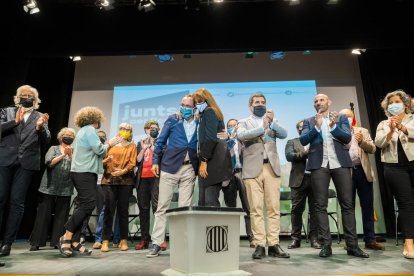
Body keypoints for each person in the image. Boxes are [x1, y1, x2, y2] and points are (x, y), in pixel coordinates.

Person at [300, 94, 369, 258]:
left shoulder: (342, 118)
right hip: (319, 164)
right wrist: (317, 127)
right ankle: (326, 246)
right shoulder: (309, 121)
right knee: (320, 206)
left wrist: (332, 126)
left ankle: (352, 246)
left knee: (347, 204)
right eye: (315, 100)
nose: (318, 102)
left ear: (329, 102)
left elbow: (346, 137)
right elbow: (303, 140)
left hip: (341, 164)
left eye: (321, 100)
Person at [59, 106, 118, 257]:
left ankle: (75, 241)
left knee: (87, 204)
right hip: (83, 172)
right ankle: (67, 235)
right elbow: (99, 150)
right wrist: (110, 143)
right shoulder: (90, 130)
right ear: (94, 119)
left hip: (84, 172)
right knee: (88, 204)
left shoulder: (83, 131)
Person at [237, 93, 289, 259]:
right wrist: (262, 127)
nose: (260, 105)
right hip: (252, 169)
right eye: (257, 102)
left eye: (263, 102)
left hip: (271, 168)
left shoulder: (273, 121)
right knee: (256, 209)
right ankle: (259, 244)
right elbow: (241, 136)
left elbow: (284, 134)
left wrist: (271, 123)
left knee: (274, 208)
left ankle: (274, 244)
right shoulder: (243, 122)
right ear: (250, 106)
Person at [0, 85, 51, 257]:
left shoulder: (40, 116)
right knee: (0, 198)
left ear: (35, 100)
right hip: (5, 159)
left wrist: (40, 128)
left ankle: (7, 243)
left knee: (17, 202)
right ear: (17, 97)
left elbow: (47, 140)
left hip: (27, 163)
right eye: (23, 95)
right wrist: (14, 121)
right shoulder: (7, 111)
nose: (26, 97)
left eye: (30, 96)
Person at [146, 95, 198, 258]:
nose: (184, 107)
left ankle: (181, 243)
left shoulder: (200, 121)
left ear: (195, 107)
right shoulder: (172, 120)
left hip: (190, 168)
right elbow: (160, 142)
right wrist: (155, 161)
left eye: (188, 105)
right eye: (182, 104)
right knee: (162, 207)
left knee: (184, 208)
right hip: (169, 167)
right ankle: (156, 242)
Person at [374, 90, 414, 259]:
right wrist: (390, 131)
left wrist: (403, 128)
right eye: (390, 103)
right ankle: (409, 242)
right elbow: (378, 143)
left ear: (405, 104)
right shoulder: (383, 124)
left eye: (397, 101)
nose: (393, 105)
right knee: (406, 204)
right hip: (394, 168)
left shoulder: (413, 120)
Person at [339, 109, 384, 251]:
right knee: (348, 208)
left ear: (353, 117)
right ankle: (350, 241)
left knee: (367, 206)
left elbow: (373, 149)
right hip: (346, 173)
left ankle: (370, 240)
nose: (346, 118)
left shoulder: (362, 131)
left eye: (348, 116)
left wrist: (362, 141)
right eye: (343, 116)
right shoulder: (336, 132)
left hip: (363, 172)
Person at [29, 127, 76, 251]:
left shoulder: (74, 151)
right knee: (44, 213)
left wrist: (70, 156)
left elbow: (76, 168)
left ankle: (57, 241)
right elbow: (49, 163)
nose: (69, 137)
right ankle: (37, 242)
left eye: (72, 135)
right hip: (49, 185)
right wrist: (63, 155)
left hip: (66, 186)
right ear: (61, 137)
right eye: (67, 134)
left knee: (62, 215)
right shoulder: (54, 148)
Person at [100, 123, 137, 252]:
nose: (124, 131)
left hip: (125, 181)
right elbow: (102, 160)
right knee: (108, 210)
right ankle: (105, 240)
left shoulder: (132, 146)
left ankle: (123, 239)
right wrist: (106, 161)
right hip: (109, 180)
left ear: (130, 132)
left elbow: (132, 163)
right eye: (122, 128)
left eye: (127, 129)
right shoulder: (111, 144)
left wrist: (123, 171)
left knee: (123, 211)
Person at [193, 88, 232, 207]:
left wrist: (204, 160)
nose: (197, 105)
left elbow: (210, 138)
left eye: (200, 102)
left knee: (210, 200)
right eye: (196, 103)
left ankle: (215, 225)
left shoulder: (210, 111)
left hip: (213, 159)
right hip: (211, 157)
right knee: (203, 201)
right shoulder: (205, 114)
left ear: (207, 100)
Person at [285, 120, 320, 249]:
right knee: (296, 210)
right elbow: (289, 156)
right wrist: (305, 153)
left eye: (305, 127)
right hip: (298, 179)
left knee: (315, 210)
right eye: (300, 127)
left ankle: (314, 239)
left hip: (316, 178)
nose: (303, 129)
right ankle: (296, 239)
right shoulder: (292, 141)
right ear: (298, 130)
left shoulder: (317, 140)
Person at [225, 119, 254, 247]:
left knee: (248, 208)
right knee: (231, 209)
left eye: (234, 125)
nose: (232, 128)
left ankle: (252, 237)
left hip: (244, 173)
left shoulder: (245, 141)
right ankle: (231, 238)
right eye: (229, 126)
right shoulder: (225, 142)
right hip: (229, 175)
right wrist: (230, 139)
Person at [135, 120, 162, 251]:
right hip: (142, 179)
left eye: (156, 128)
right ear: (146, 130)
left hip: (156, 178)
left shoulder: (162, 142)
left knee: (157, 208)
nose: (153, 130)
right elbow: (137, 160)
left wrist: (151, 146)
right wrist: (144, 148)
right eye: (151, 128)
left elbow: (161, 157)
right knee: (143, 209)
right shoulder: (140, 143)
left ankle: (159, 239)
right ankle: (144, 239)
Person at [93, 131, 121, 249]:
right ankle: (99, 238)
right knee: (105, 210)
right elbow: (98, 163)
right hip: (106, 181)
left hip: (122, 182)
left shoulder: (130, 146)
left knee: (120, 211)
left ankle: (117, 239)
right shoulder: (107, 148)